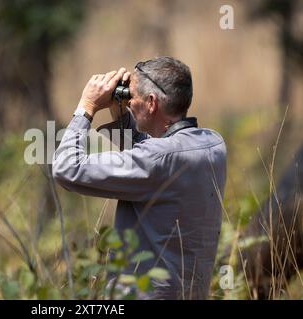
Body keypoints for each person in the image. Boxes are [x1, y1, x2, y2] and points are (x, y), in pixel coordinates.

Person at [52, 56, 227, 299]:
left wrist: (86, 108)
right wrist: (123, 115)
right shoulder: (213, 144)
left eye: (131, 96)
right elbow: (152, 161)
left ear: (152, 103)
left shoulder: (156, 159)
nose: (129, 102)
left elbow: (67, 169)